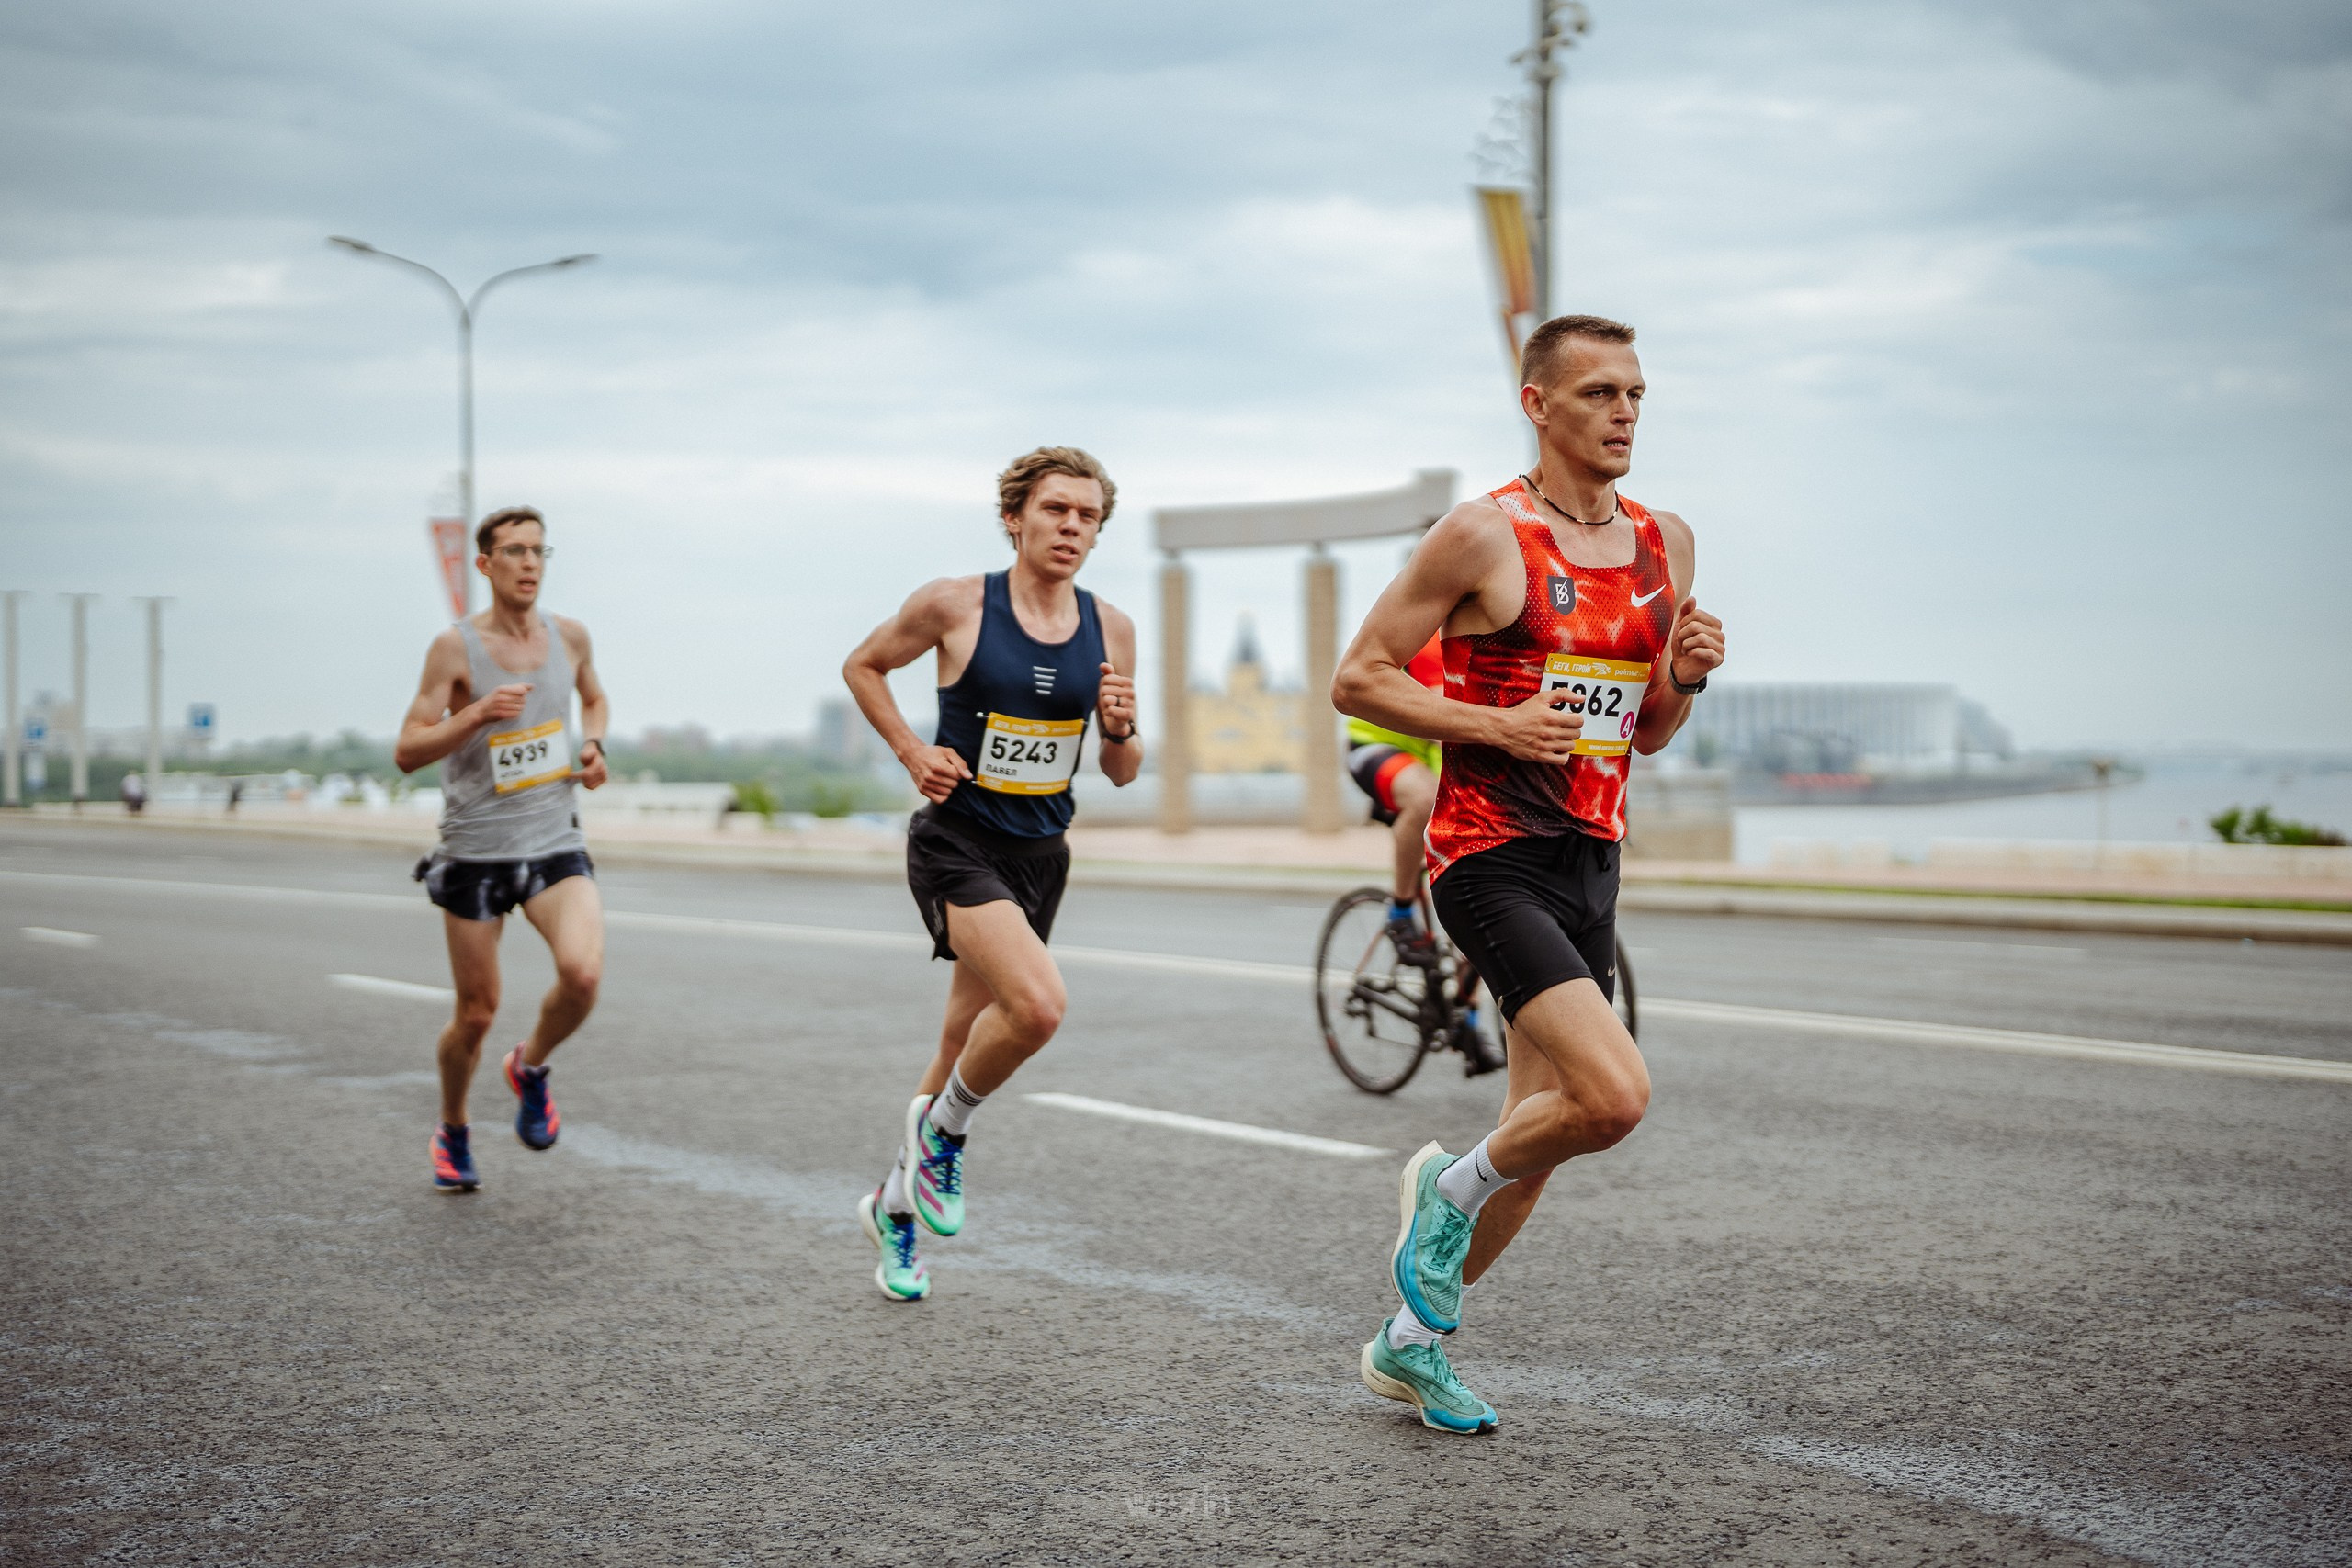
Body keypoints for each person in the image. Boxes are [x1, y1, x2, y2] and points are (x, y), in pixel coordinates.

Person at [1331, 314, 1727, 1431]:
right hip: (1488, 852)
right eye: (1599, 393)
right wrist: (1493, 724)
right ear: (1537, 403)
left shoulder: (1668, 543)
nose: (1624, 414)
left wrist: (1684, 683)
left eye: (1637, 395)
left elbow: (1642, 734)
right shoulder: (1482, 534)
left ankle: (1411, 1347)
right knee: (1611, 1098)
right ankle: (1442, 1190)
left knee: (1539, 1137)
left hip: (1591, 855)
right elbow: (1358, 680)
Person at [842, 447, 1142, 1301]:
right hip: (958, 841)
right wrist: (911, 751)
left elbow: (1121, 769)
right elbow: (863, 665)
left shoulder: (1110, 626)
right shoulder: (955, 602)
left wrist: (1121, 729)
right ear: (1015, 516)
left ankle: (894, 1206)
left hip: (1042, 852)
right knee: (1039, 1005)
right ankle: (948, 1134)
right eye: (1055, 510)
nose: (1071, 527)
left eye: (1087, 516)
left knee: (959, 1036)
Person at [394, 505, 610, 1193]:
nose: (529, 563)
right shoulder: (454, 648)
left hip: (553, 839)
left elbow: (594, 699)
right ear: (485, 564)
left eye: (540, 551)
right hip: (475, 850)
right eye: (514, 551)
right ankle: (453, 1127)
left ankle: (532, 1065)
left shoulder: (570, 635)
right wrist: (476, 714)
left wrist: (594, 745)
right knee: (477, 1012)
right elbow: (406, 750)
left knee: (581, 976)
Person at [1344, 634, 1504, 1076]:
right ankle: (1400, 911)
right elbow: (1441, 707)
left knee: (1489, 887)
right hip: (1380, 748)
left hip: (1438, 760)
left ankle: (1466, 1016)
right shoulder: (1434, 634)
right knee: (1424, 797)